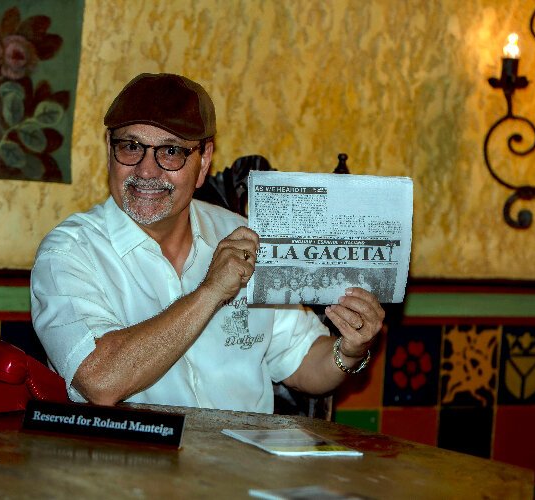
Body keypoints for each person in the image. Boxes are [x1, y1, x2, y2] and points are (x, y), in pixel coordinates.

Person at [30, 73, 384, 413]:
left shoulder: (244, 235)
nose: (147, 171)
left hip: (241, 467)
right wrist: (211, 291)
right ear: (109, 149)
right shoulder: (69, 252)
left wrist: (349, 350)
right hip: (127, 468)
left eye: (170, 152)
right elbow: (100, 380)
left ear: (204, 162)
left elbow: (304, 362)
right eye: (132, 146)